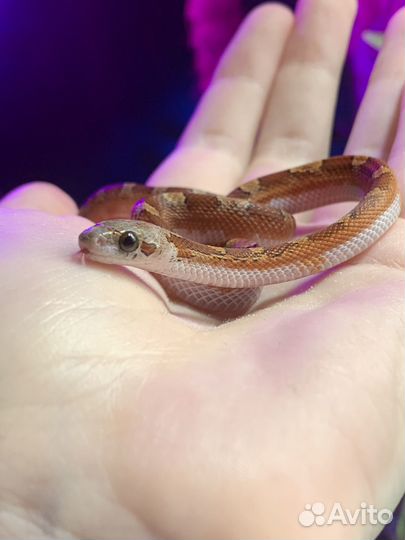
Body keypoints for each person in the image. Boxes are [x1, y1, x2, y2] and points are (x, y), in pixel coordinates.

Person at [0, 0, 404, 538]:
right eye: (126, 239)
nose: (108, 243)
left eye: (126, 242)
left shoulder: (211, 243)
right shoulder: (173, 233)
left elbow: (288, 224)